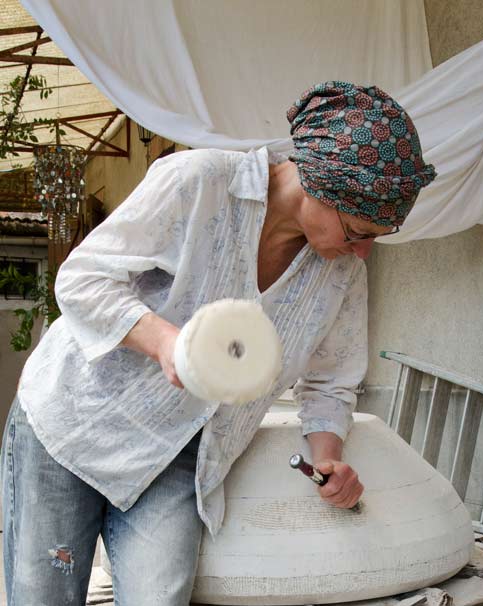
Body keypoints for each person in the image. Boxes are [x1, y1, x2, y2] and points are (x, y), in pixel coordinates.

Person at [1, 81, 436, 605]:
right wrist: (166, 343)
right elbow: (81, 281)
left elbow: (331, 380)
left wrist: (329, 459)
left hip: (182, 449)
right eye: (358, 231)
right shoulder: (199, 182)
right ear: (321, 185)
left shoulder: (341, 272)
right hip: (75, 423)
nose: (363, 251)